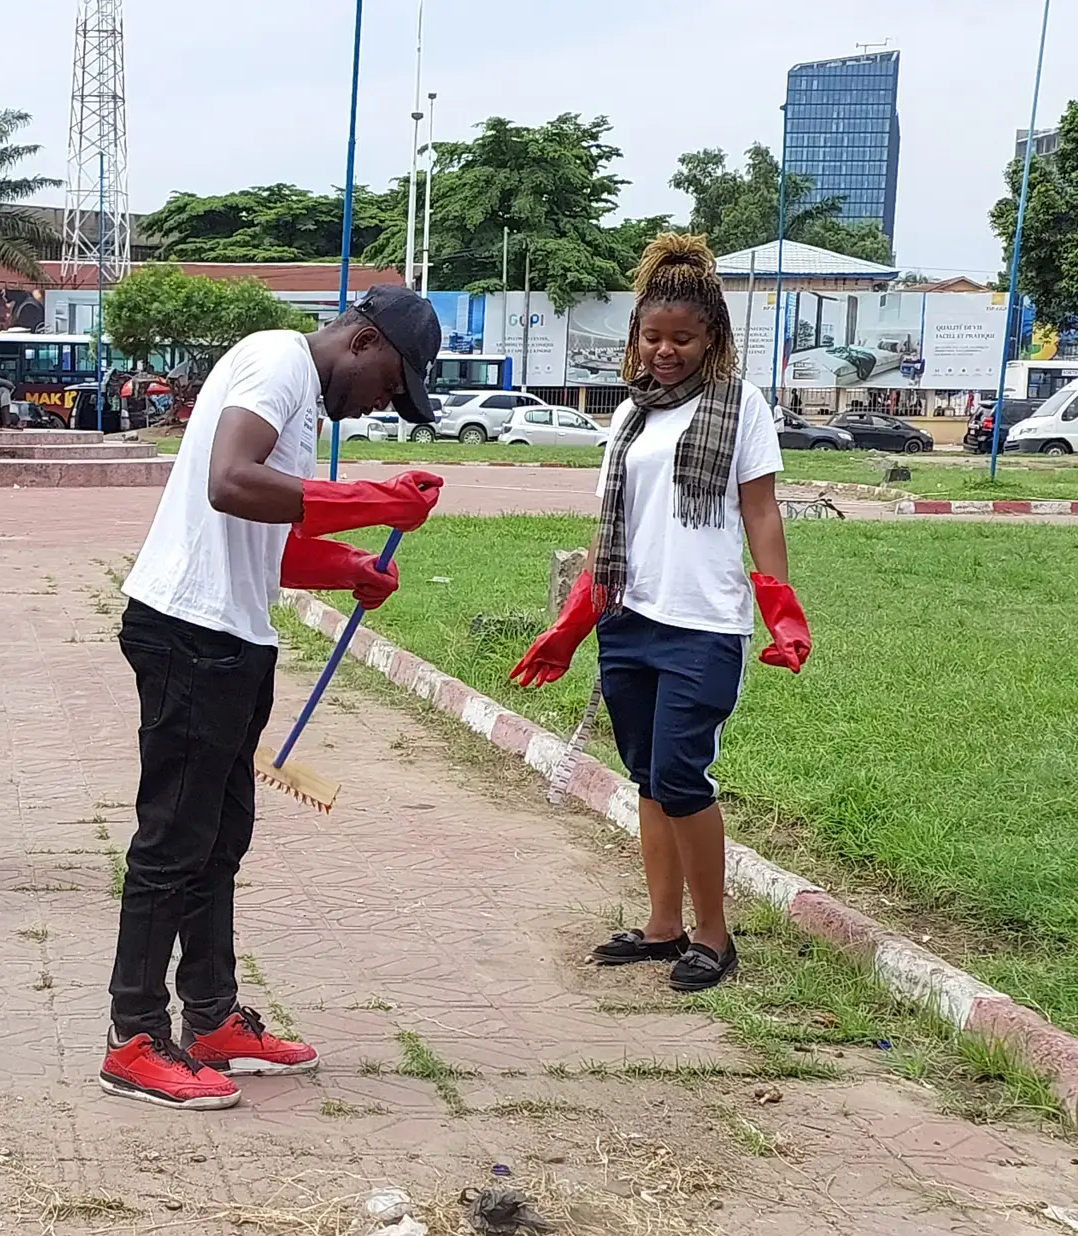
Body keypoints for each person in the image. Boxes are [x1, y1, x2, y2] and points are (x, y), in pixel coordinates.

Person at [102, 286, 444, 1111]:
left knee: (219, 840)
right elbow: (229, 481)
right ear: (364, 341)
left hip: (232, 637)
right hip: (187, 629)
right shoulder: (276, 362)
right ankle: (134, 1037)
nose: (382, 404)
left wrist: (352, 566)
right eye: (391, 384)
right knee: (173, 838)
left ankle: (213, 1016)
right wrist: (370, 501)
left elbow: (272, 541)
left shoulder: (302, 403)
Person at [511, 234, 809, 994]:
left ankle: (715, 935)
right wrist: (572, 625)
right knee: (647, 775)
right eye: (652, 337)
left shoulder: (740, 406)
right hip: (630, 620)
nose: (665, 351)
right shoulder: (629, 418)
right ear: (635, 339)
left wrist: (781, 608)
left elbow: (762, 512)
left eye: (681, 338)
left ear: (712, 337)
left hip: (703, 624)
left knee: (682, 774)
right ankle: (662, 925)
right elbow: (614, 529)